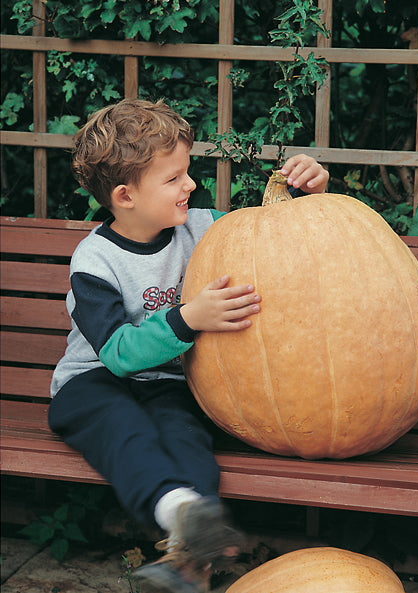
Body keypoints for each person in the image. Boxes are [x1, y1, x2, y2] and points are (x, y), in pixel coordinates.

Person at [48, 98, 329, 593]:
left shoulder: (204, 227)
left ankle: (186, 564)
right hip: (92, 385)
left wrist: (309, 193)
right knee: (126, 432)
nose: (191, 185)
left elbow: (275, 241)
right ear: (125, 195)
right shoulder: (95, 260)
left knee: (188, 441)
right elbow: (116, 352)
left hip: (168, 384)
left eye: (187, 172)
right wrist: (188, 318)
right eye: (174, 178)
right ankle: (179, 513)